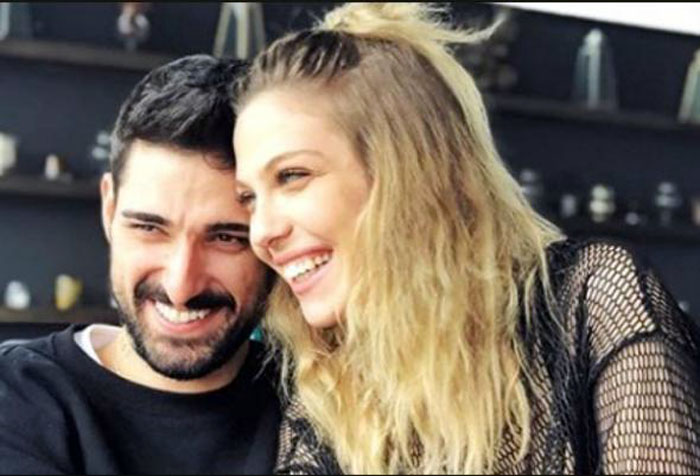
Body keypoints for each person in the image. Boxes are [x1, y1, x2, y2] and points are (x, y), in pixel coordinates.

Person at [232, 3, 700, 474]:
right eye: (249, 198)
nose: (262, 232)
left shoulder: (590, 305)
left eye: (292, 176)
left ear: (406, 172)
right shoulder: (326, 391)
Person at [0, 54, 280, 474]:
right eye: (150, 228)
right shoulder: (18, 397)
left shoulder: (325, 400)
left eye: (226, 238)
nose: (181, 286)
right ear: (109, 209)